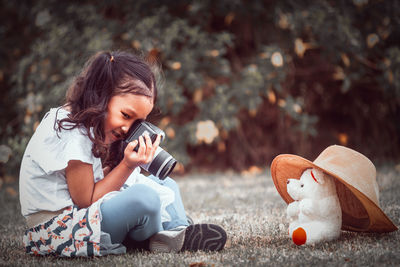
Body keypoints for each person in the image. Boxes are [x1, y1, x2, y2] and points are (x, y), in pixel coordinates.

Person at [19, 51, 227, 257]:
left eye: (137, 122)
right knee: (145, 198)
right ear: (100, 96)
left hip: (83, 217)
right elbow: (85, 200)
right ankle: (159, 234)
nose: (128, 129)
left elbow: (95, 184)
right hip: (60, 230)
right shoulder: (71, 131)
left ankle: (177, 232)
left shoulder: (86, 125)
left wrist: (120, 166)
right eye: (126, 115)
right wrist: (127, 166)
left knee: (165, 184)